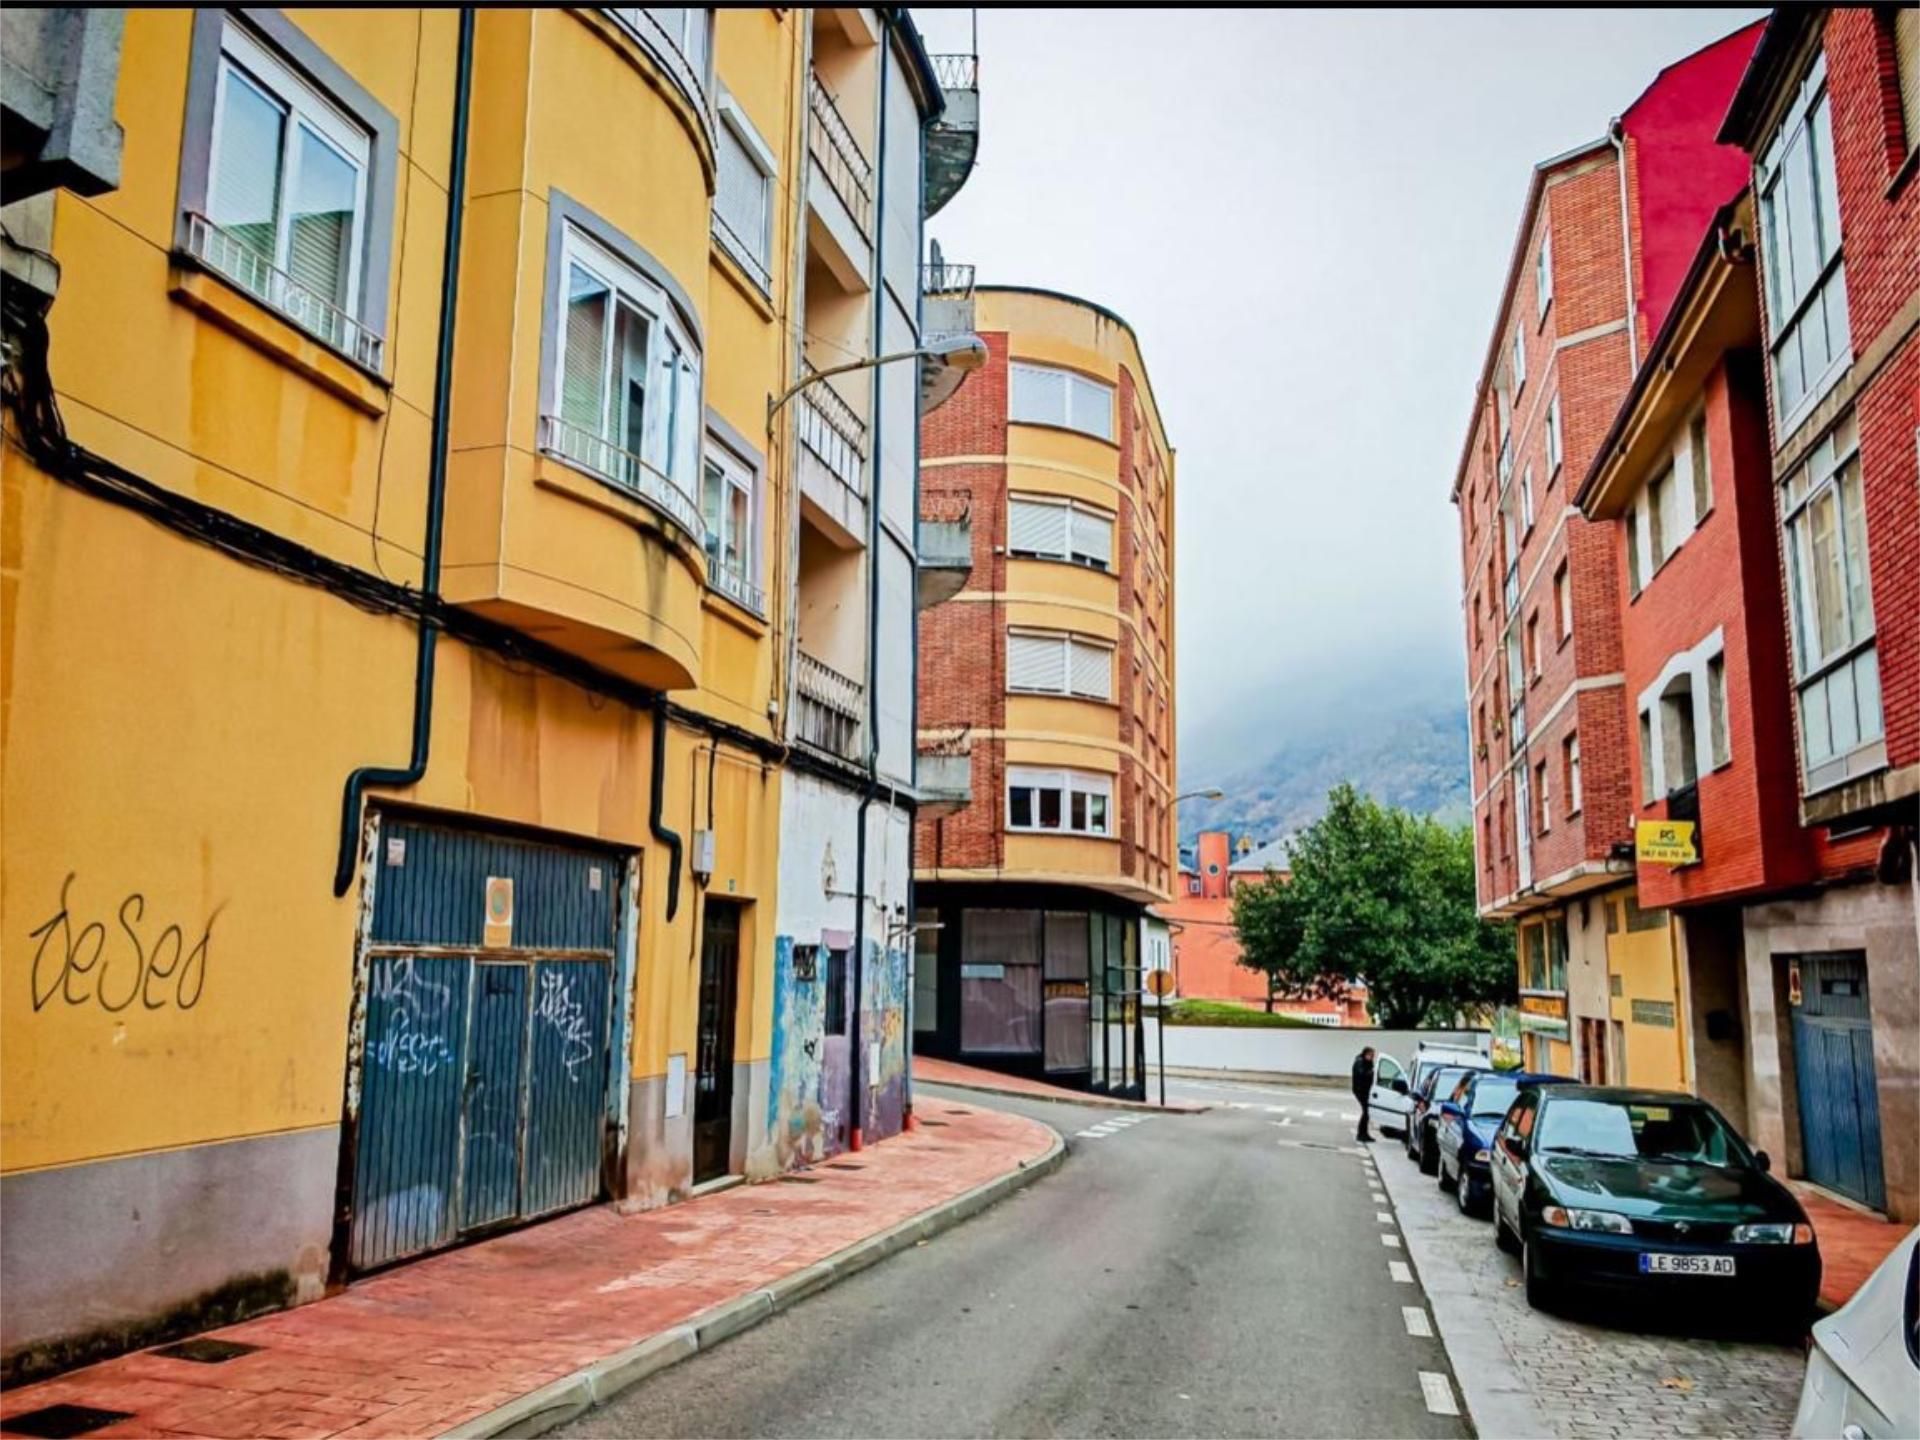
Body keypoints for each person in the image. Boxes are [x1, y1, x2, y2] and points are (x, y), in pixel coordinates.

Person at [1352, 1046, 1376, 1143]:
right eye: (1371, 1055)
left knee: (1366, 1112)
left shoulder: (1367, 1062)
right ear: (1366, 1054)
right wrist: (1371, 1073)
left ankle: (1364, 1133)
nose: (1372, 1057)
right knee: (1366, 1112)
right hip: (1360, 1090)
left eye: (1373, 1056)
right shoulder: (1360, 1062)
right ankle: (1361, 1134)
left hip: (1365, 1090)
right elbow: (1362, 1074)